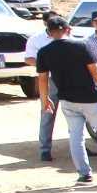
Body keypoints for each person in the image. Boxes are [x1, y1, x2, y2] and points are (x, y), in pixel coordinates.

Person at [36, 14, 97, 183]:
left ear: (49, 32)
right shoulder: (80, 46)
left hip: (66, 100)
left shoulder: (43, 52)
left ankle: (84, 174)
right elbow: (96, 71)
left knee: (76, 137)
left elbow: (42, 79)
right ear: (68, 29)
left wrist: (45, 100)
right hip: (89, 98)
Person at [25, 17, 60, 162]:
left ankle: (81, 146)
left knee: (76, 112)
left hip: (69, 79)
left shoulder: (66, 34)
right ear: (45, 23)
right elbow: (28, 59)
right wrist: (47, 64)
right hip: (49, 78)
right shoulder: (36, 39)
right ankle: (45, 149)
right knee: (47, 112)